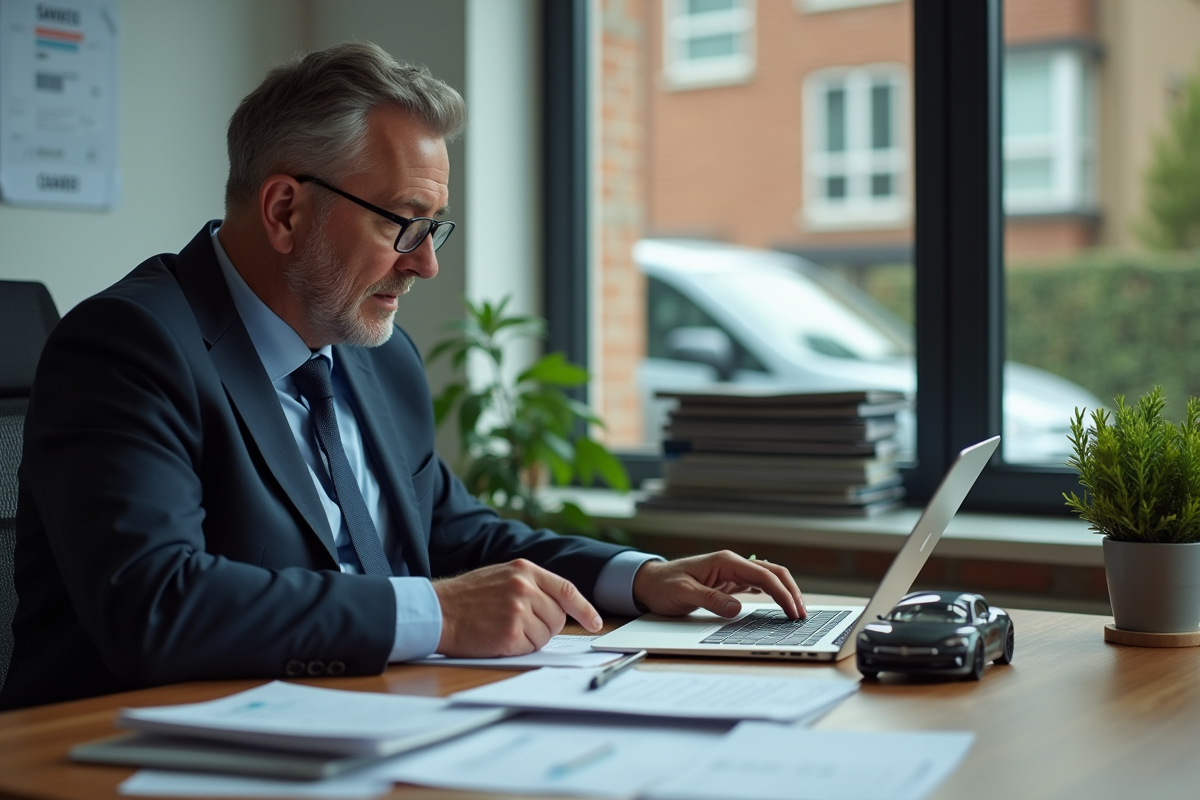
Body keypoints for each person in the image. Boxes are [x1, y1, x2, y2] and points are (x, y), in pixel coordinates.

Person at [0, 41, 804, 711]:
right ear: (285, 211)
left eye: (435, 226)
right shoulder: (130, 346)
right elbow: (157, 604)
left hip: (360, 729)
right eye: (403, 223)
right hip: (119, 758)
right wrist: (438, 612)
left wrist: (640, 578)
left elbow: (452, 534)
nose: (425, 262)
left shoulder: (376, 354)